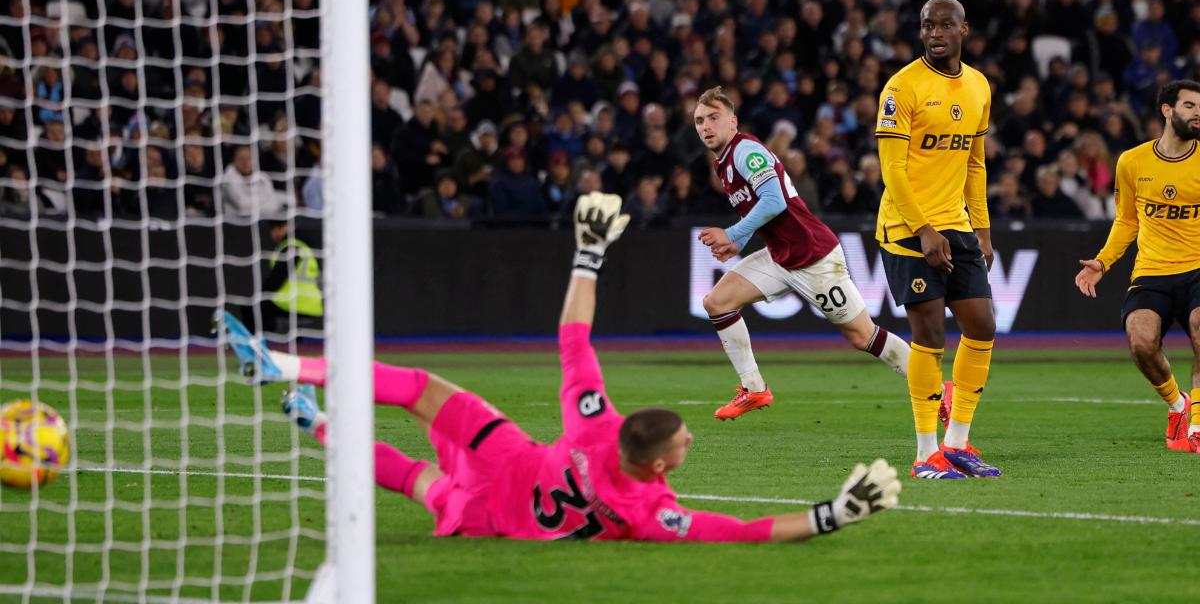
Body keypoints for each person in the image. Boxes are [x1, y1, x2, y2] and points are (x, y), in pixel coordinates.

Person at [216, 193, 901, 541]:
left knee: (419, 391)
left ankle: (286, 367)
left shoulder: (594, 426)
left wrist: (589, 254)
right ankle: (313, 424)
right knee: (415, 481)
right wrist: (833, 514)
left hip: (507, 454)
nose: (689, 440)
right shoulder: (650, 513)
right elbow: (747, 532)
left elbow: (574, 339)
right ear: (660, 466)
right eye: (684, 441)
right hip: (487, 515)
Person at [694, 86, 911, 421]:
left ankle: (936, 389)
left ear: (733, 122)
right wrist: (740, 241)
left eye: (713, 117)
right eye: (699, 121)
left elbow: (775, 201)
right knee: (716, 302)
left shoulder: (745, 152)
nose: (706, 126)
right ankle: (753, 388)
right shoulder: (724, 161)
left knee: (862, 335)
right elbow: (761, 206)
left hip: (814, 257)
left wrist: (733, 233)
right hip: (781, 255)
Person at [874, 0, 1001, 480]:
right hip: (906, 229)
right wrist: (924, 228)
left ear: (964, 29)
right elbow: (893, 170)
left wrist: (982, 228)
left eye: (945, 25)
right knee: (929, 334)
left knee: (982, 326)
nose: (935, 33)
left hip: (957, 225)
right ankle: (925, 451)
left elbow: (974, 161)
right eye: (928, 25)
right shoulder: (901, 88)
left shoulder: (978, 86)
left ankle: (958, 443)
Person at [1075, 80, 1200, 454]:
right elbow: (1127, 221)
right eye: (1191, 106)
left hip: (1197, 267)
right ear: (1167, 109)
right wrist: (1101, 262)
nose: (1198, 113)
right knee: (1141, 343)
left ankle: (1198, 426)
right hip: (1152, 271)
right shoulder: (1132, 161)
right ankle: (1179, 406)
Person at [259, 220, 323, 337]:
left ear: (283, 227)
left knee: (257, 307)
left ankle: (263, 345)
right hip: (313, 306)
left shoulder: (292, 247)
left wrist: (261, 295)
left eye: (274, 229)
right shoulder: (305, 244)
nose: (272, 234)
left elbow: (275, 280)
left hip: (293, 304)